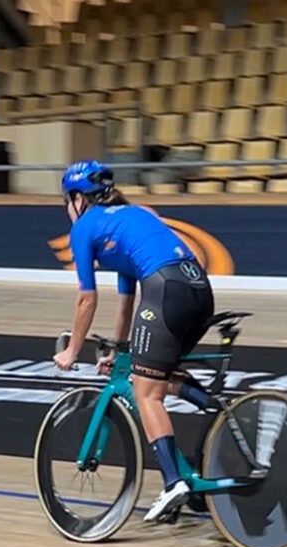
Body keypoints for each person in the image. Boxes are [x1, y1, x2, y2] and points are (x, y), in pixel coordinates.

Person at [55, 160, 214, 522]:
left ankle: (174, 483)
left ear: (79, 199)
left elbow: (86, 299)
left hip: (165, 291)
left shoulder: (85, 228)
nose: (67, 208)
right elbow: (126, 304)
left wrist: (71, 351)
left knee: (146, 393)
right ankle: (216, 410)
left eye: (66, 200)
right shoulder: (129, 216)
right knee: (155, 372)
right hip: (198, 289)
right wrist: (118, 349)